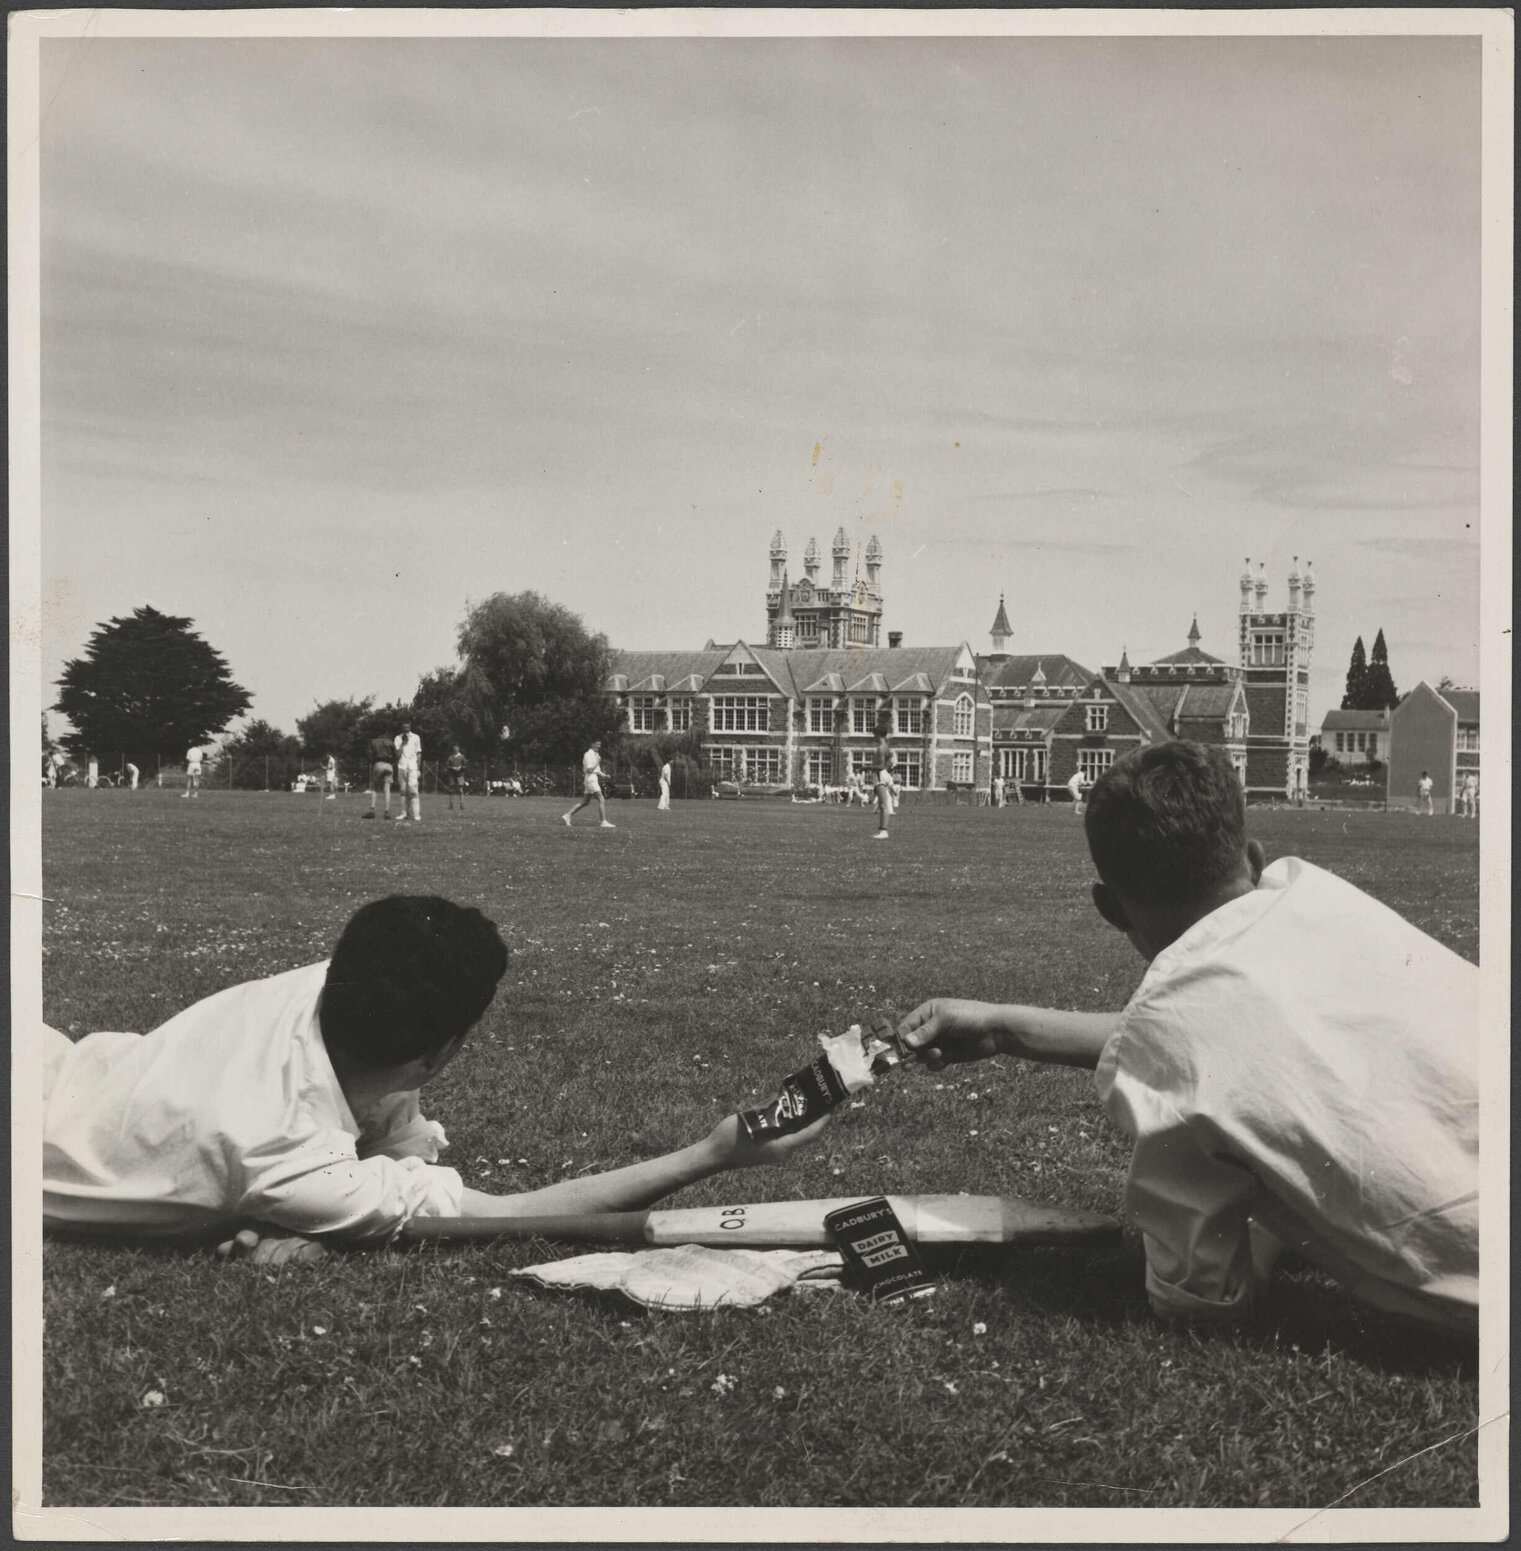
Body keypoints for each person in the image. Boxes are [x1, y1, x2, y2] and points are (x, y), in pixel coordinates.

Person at [899, 741, 1477, 1339]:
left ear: (1110, 909)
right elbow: (1205, 1038)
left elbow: (1202, 1300)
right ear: (1252, 858)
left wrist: (1276, 1213)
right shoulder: (1314, 894)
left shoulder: (1178, 1031)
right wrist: (1001, 1026)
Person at [44, 896, 826, 1263]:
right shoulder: (284, 1151)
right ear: (436, 1056)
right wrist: (711, 1155)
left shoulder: (333, 985)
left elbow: (384, 1155)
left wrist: (326, 1219)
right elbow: (509, 1216)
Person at [562, 740, 614, 829]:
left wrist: (604, 776)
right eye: (597, 744)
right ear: (592, 744)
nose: (599, 746)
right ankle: (603, 822)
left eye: (600, 744)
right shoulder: (588, 755)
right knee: (601, 798)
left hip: (592, 779)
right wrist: (597, 761)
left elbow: (597, 770)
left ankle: (568, 815)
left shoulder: (596, 755)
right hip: (590, 779)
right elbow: (590, 770)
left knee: (585, 802)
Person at [871, 720, 897, 841]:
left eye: (874, 735)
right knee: (882, 805)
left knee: (883, 805)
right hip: (882, 774)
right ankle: (881, 830)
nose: (874, 737)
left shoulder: (881, 748)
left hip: (880, 774)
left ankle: (884, 831)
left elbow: (881, 765)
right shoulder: (886, 747)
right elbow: (889, 764)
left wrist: (866, 767)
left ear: (877, 734)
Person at [394, 722, 423, 824]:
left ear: (410, 727)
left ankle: (416, 814)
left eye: (407, 727)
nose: (406, 729)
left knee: (413, 790)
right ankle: (404, 813)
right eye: (404, 727)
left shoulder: (415, 737)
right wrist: (403, 743)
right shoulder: (398, 738)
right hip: (401, 766)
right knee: (403, 791)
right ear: (402, 728)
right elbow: (397, 754)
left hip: (412, 767)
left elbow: (419, 754)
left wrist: (418, 768)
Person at [364, 733, 395, 820]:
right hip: (388, 764)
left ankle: (372, 809)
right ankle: (387, 811)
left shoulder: (374, 742)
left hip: (378, 763)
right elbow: (395, 754)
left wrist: (372, 762)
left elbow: (369, 754)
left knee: (374, 787)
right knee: (387, 788)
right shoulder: (390, 742)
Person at [445, 746, 468, 812]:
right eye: (454, 749)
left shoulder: (462, 757)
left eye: (457, 749)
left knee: (460, 790)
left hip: (460, 775)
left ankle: (462, 805)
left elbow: (465, 765)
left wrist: (460, 767)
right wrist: (452, 768)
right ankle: (451, 804)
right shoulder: (450, 757)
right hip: (452, 775)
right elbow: (447, 766)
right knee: (452, 790)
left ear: (458, 749)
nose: (456, 750)